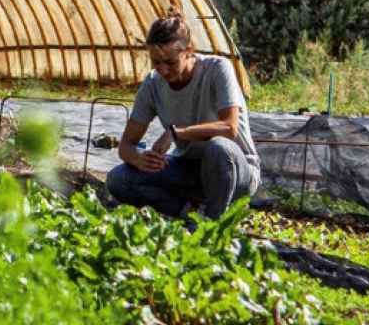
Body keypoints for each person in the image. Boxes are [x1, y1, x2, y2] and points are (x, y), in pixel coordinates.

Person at [106, 15, 258, 219]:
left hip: (235, 170)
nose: (163, 70)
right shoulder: (152, 84)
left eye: (170, 62)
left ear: (189, 51)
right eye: (156, 62)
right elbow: (126, 145)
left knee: (218, 148)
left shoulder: (217, 69)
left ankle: (211, 224)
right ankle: (187, 214)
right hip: (189, 170)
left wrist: (177, 133)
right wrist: (140, 159)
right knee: (119, 179)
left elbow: (229, 128)